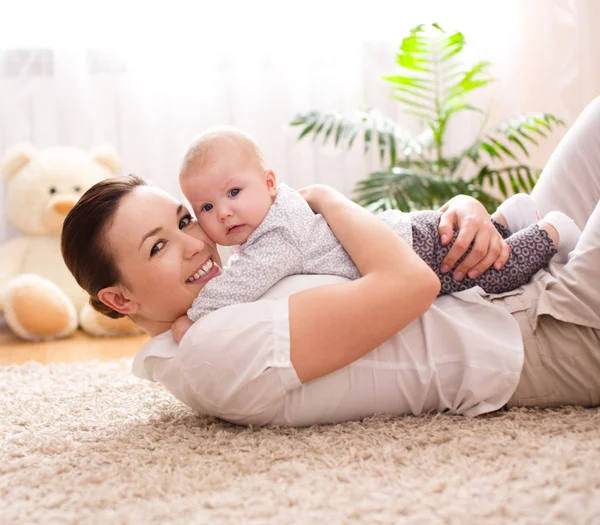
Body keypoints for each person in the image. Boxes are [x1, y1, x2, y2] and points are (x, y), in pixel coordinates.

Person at [61, 96, 600, 427]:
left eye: (183, 222)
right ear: (119, 299)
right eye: (157, 247)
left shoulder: (231, 294)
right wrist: (323, 195)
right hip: (548, 329)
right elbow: (410, 284)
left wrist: (462, 210)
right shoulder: (210, 349)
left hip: (505, 276)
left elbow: (381, 251)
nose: (198, 242)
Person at [171, 126, 580, 342]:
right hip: (406, 233)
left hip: (414, 250)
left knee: (492, 276)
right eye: (205, 207)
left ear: (270, 183)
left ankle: (552, 231)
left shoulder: (279, 234)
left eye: (234, 192)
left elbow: (243, 283)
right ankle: (509, 219)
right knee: (475, 252)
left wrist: (193, 318)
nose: (223, 212)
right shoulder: (276, 223)